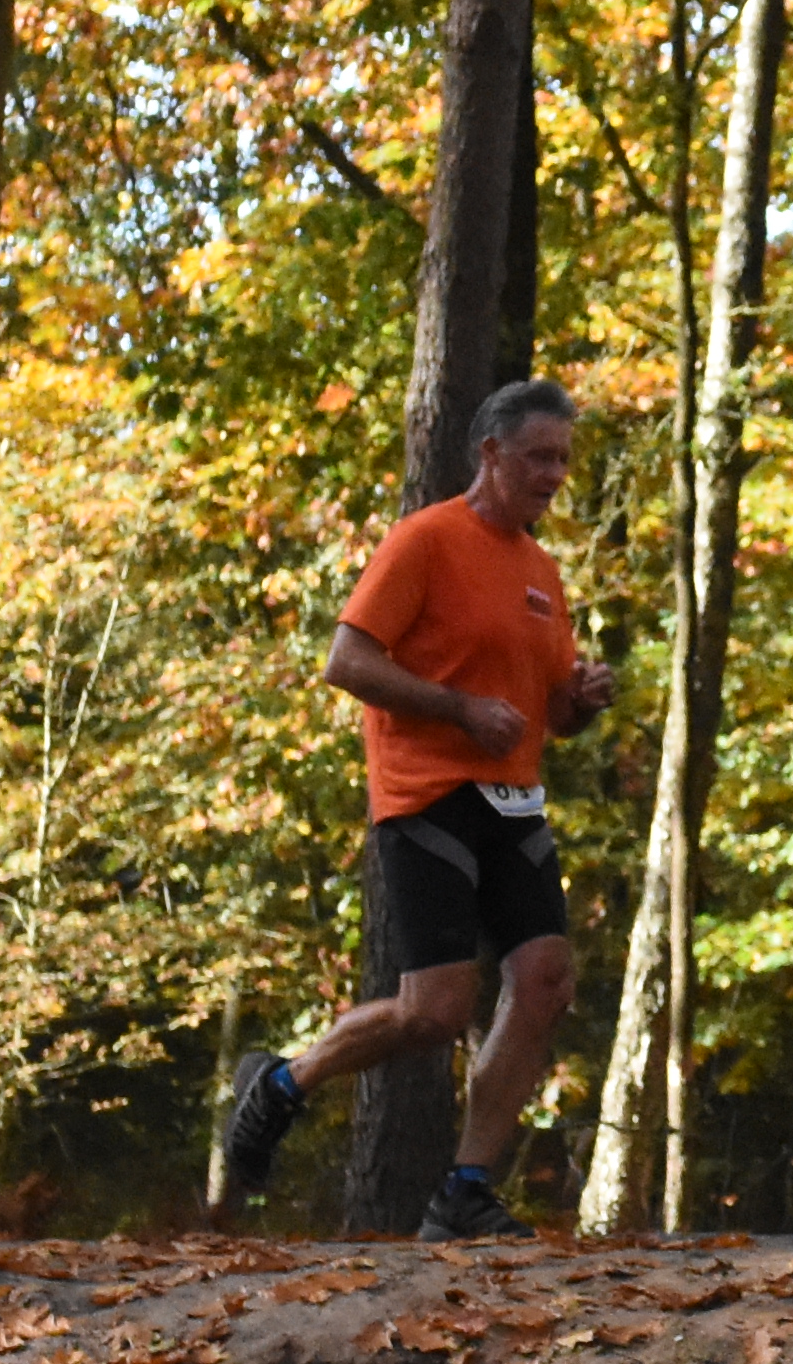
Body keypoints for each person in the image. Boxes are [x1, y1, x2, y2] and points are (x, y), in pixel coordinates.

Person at [211, 380, 620, 1237]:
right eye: (541, 456)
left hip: (514, 804)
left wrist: (582, 699)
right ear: (491, 453)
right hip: (427, 795)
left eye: (564, 460)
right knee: (433, 1014)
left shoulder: (543, 573)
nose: (555, 474)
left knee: (544, 980)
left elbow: (554, 715)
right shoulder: (426, 540)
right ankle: (283, 1082)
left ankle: (464, 1191)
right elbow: (347, 660)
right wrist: (458, 707)